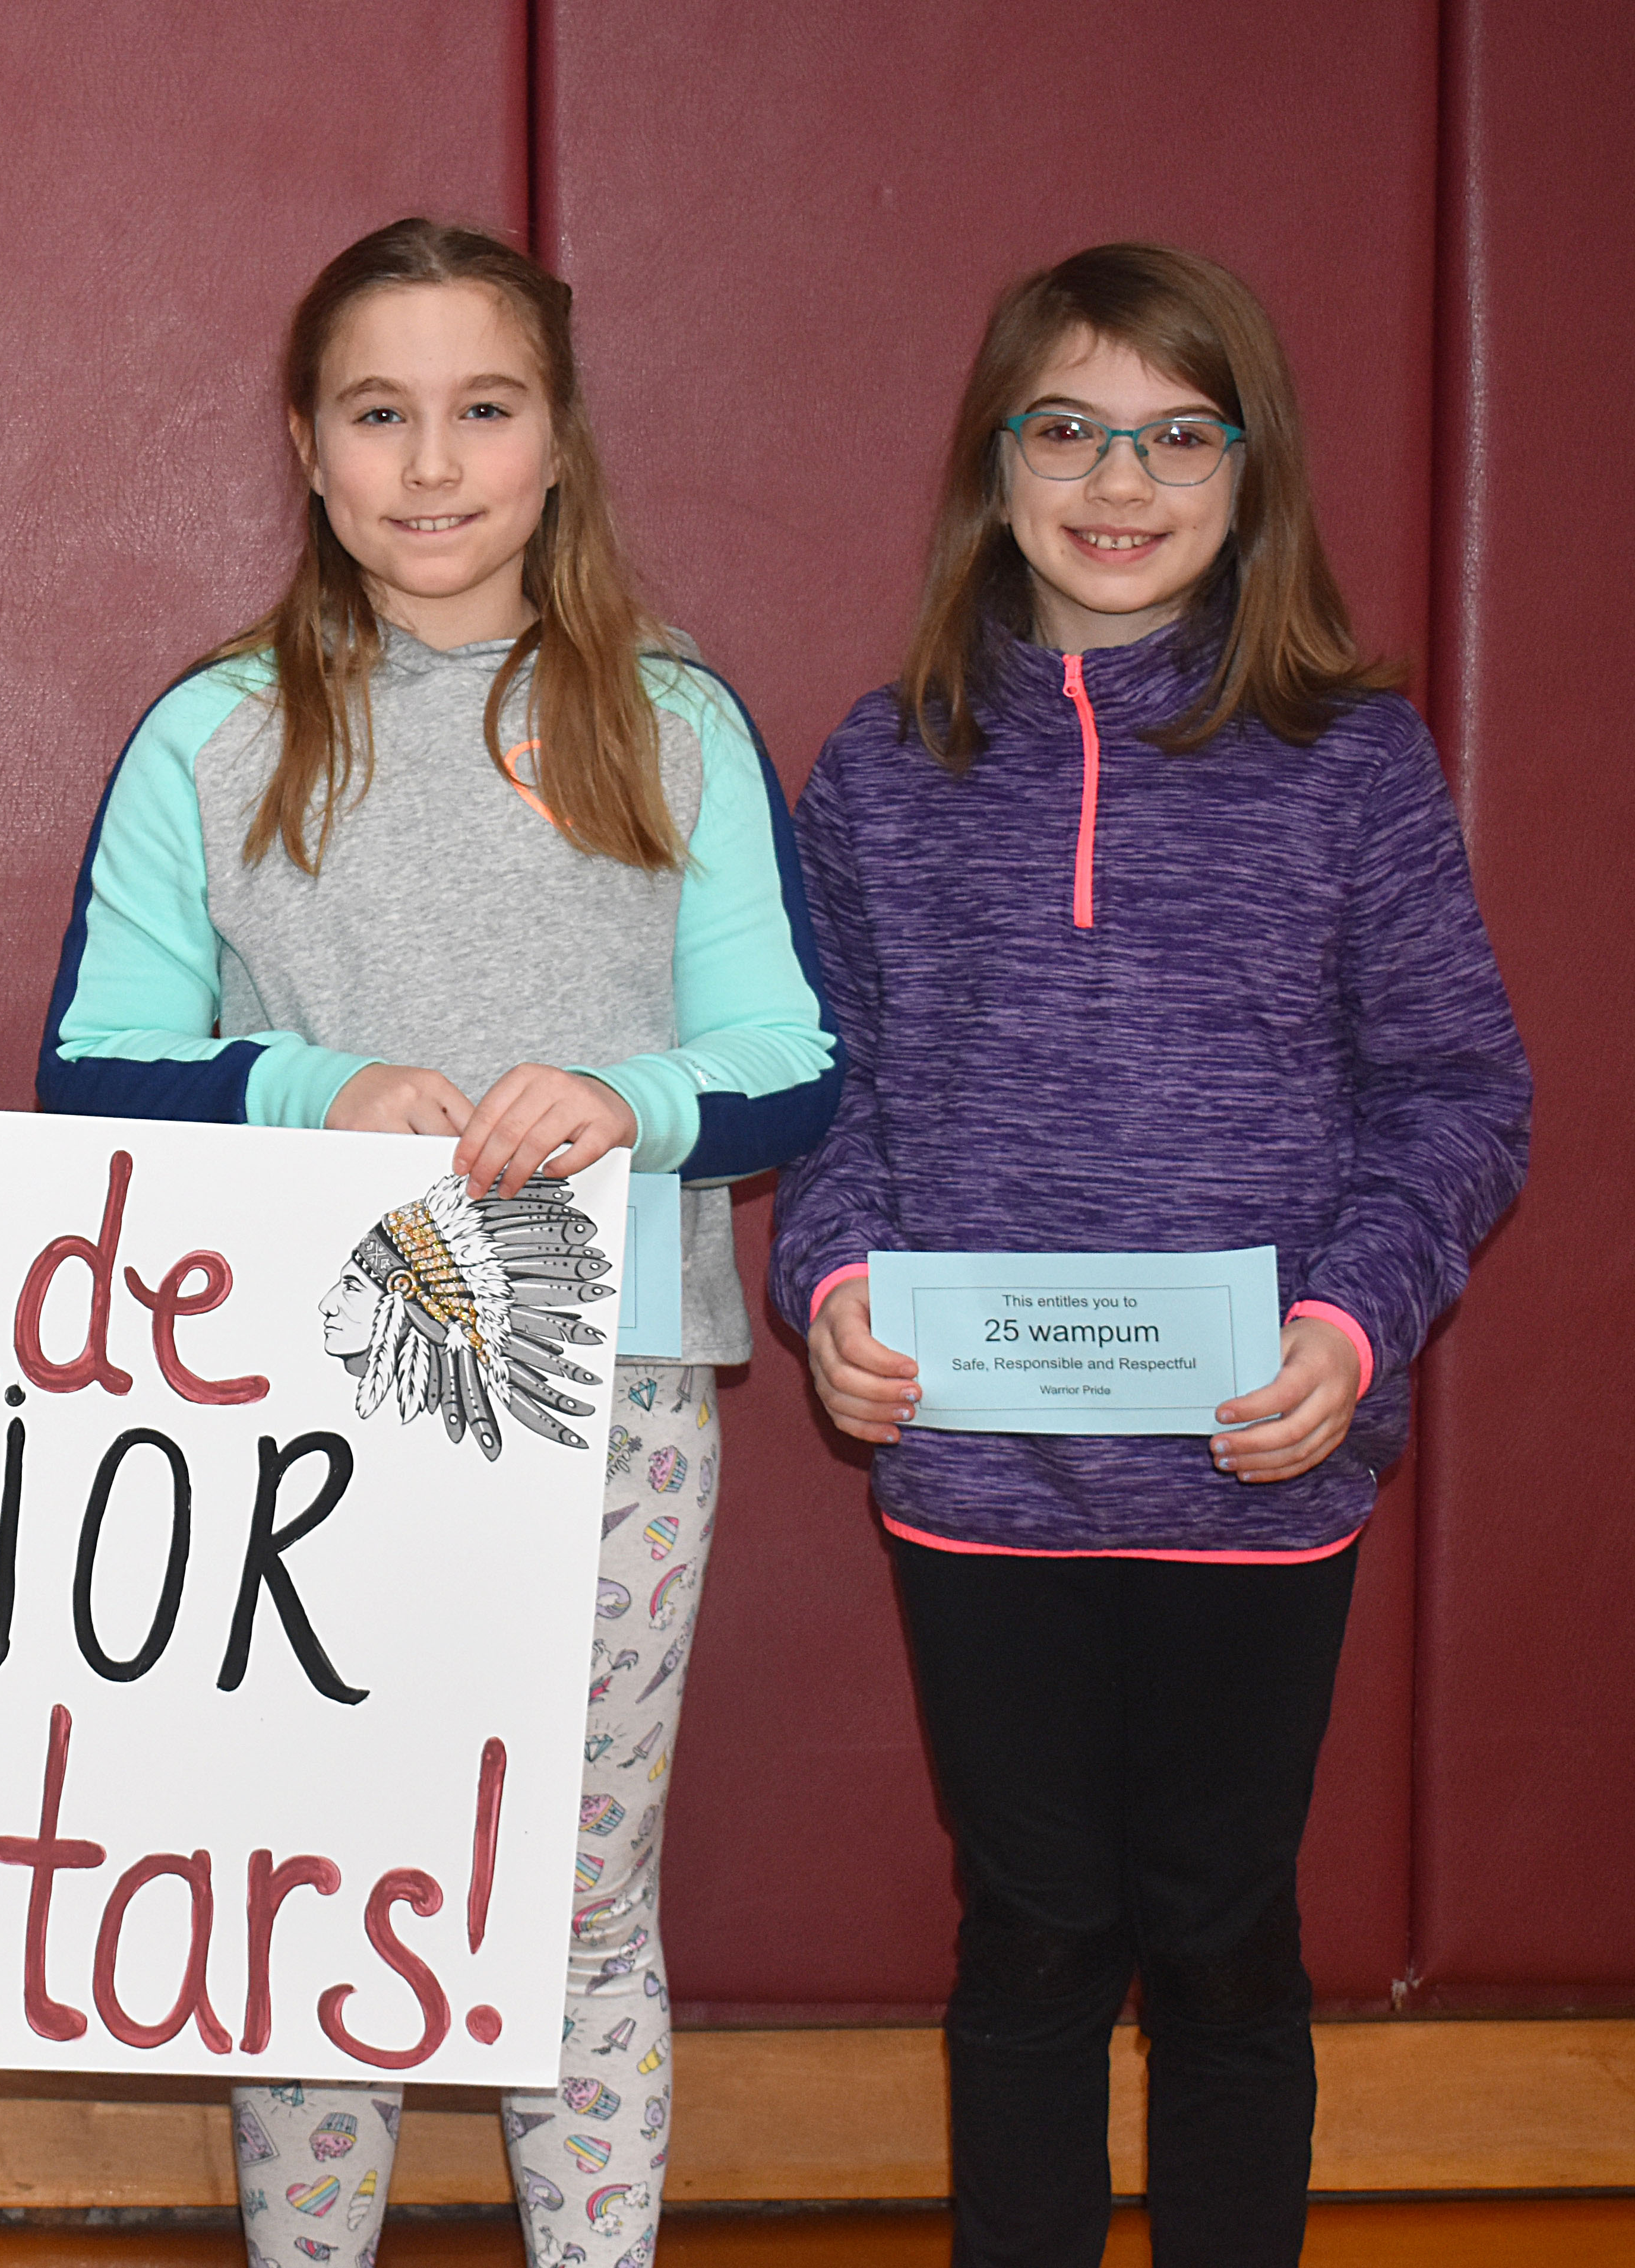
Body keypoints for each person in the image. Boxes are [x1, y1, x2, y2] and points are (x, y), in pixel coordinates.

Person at [37, 217, 839, 2268]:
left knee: (573, 1885)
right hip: (295, 1392)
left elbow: (788, 1060)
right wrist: (314, 1088)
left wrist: (631, 1096)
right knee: (326, 1867)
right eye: (377, 414)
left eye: (481, 410)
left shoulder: (670, 722)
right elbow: (95, 1064)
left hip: (615, 1397)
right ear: (304, 448)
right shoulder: (209, 731)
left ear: (557, 440)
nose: (429, 462)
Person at [771, 243, 1530, 2268]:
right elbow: (820, 1099)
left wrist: (1349, 1324)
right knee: (1026, 1931)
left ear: (1244, 468)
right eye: (1069, 427)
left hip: (1251, 1473)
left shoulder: (1348, 762)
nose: (1121, 477)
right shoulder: (881, 764)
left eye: (1176, 431)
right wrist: (828, 1291)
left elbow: (1461, 1090)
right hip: (976, 1485)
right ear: (992, 466)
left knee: (1215, 1934)